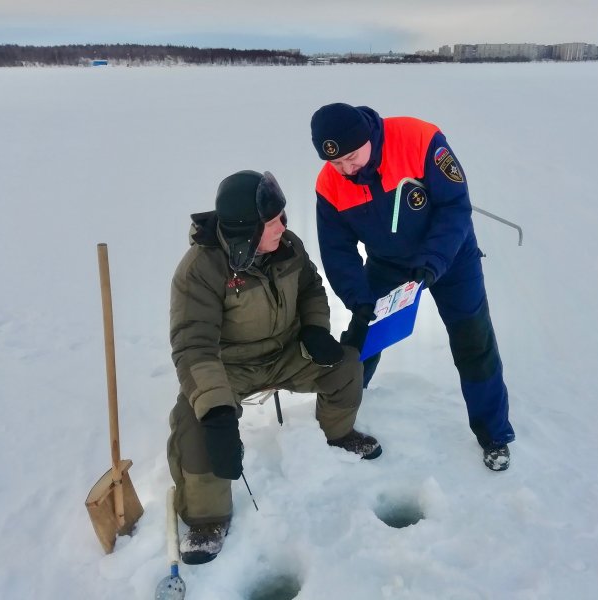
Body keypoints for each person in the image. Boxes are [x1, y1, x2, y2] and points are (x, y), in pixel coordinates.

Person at [167, 170, 381, 565]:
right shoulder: (201, 269)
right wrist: (216, 411)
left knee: (348, 363)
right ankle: (206, 519)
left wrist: (316, 330)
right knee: (193, 420)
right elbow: (193, 346)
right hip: (229, 366)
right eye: (273, 221)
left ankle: (339, 434)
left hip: (288, 351)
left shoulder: (287, 246)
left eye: (283, 217)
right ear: (246, 232)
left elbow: (312, 288)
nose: (284, 226)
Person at [310, 102, 515, 472]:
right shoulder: (330, 184)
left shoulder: (419, 140)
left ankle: (494, 434)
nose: (347, 169)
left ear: (367, 139)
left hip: (450, 257)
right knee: (363, 333)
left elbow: (455, 207)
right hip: (387, 265)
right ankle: (343, 411)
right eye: (337, 163)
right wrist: (357, 298)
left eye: (352, 157)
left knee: (474, 340)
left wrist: (433, 263)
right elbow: (337, 252)